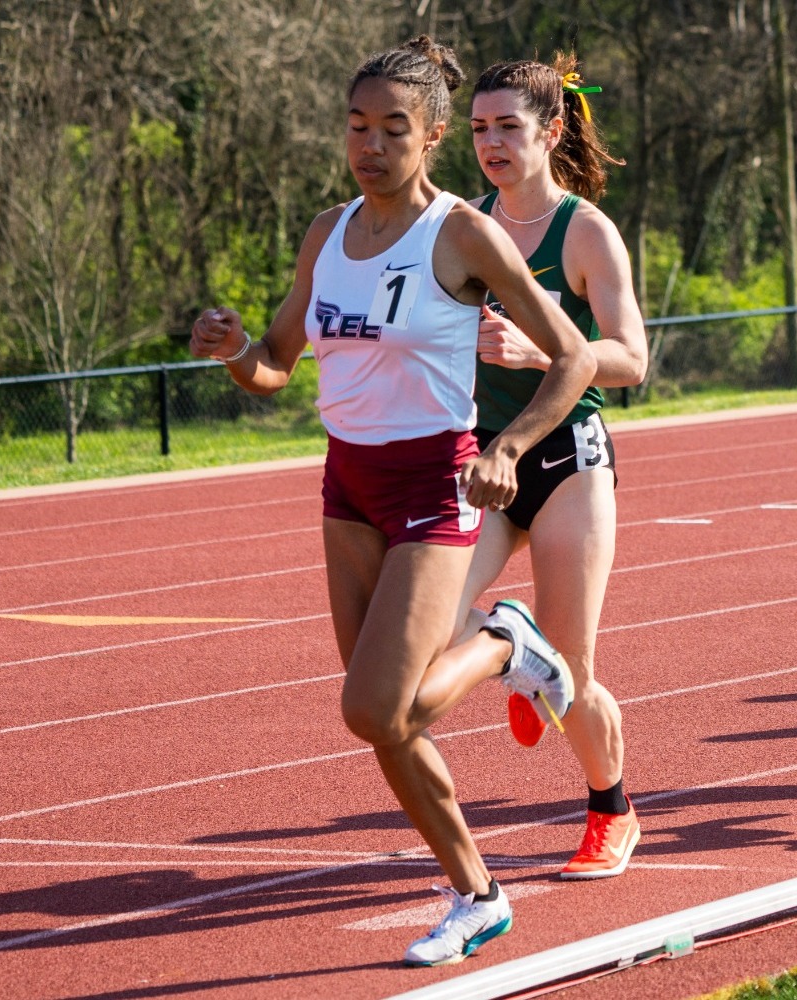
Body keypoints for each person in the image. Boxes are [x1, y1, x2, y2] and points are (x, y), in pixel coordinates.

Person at [188, 36, 597, 966]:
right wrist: (233, 348)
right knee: (388, 721)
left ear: (434, 135)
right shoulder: (327, 232)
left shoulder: (460, 233)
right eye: (357, 126)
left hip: (432, 484)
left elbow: (572, 357)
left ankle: (504, 643)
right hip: (348, 485)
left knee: (375, 709)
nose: (370, 145)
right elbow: (276, 369)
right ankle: (477, 893)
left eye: (393, 129)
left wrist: (510, 446)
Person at [405, 56, 648, 882]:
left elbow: (631, 360)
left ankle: (611, 810)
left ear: (550, 132)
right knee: (428, 633)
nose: (492, 143)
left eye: (509, 127)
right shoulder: (461, 225)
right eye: (478, 128)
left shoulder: (584, 231)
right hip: (482, 458)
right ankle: (515, 648)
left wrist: (539, 344)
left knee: (576, 671)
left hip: (566, 459)